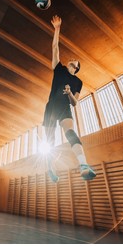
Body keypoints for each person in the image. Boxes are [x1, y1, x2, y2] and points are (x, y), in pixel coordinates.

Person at [43, 15, 96, 183]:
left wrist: (70, 93)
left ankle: (84, 165)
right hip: (51, 107)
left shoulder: (78, 82)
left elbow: (75, 102)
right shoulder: (59, 69)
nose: (71, 58)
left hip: (65, 107)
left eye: (74, 59)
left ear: (77, 67)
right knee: (49, 141)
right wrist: (57, 29)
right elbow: (54, 48)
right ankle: (50, 169)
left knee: (70, 132)